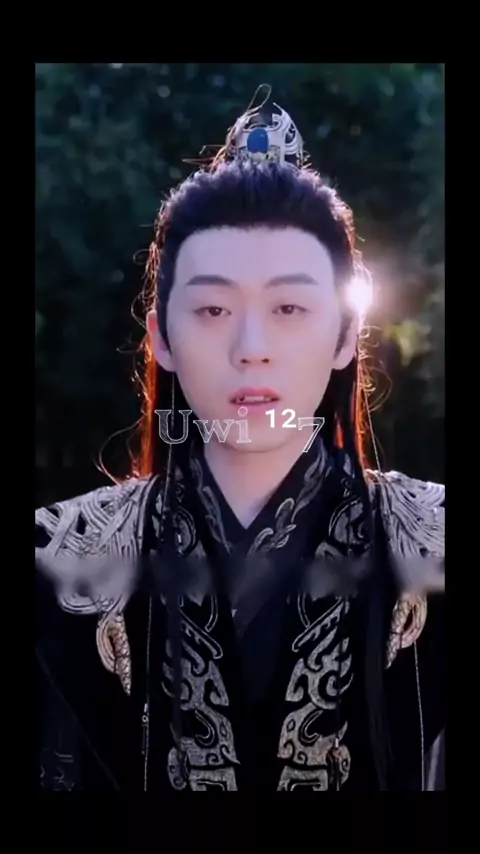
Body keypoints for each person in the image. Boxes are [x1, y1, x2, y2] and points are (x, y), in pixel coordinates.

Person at [35, 89, 445, 793]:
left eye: (289, 307)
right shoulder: (56, 561)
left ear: (345, 335)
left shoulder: (434, 544)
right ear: (161, 337)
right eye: (213, 308)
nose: (252, 347)